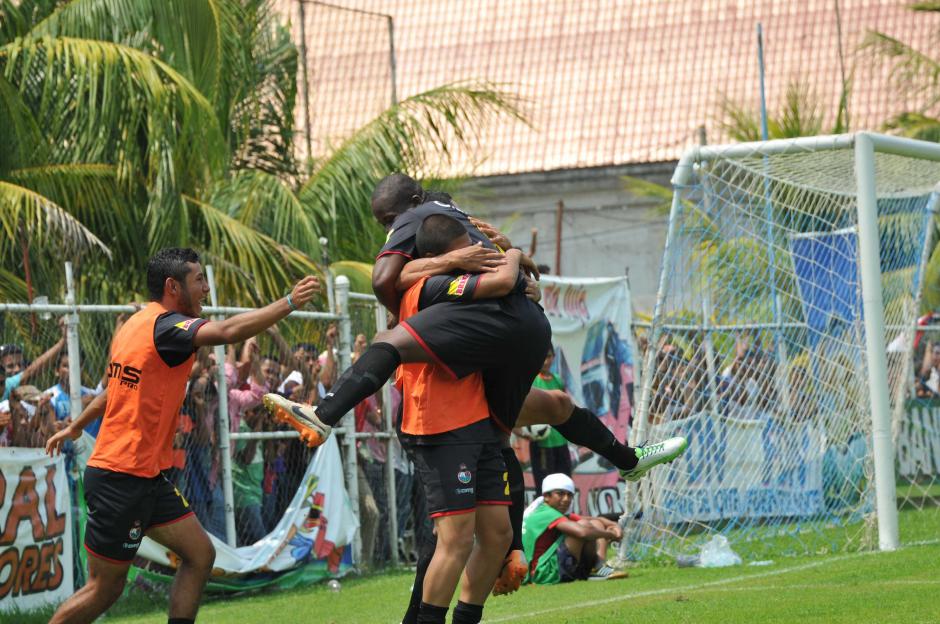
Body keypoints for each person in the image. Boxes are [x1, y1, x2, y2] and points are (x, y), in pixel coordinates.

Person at [45, 247, 320, 624]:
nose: (206, 289)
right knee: (104, 588)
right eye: (199, 280)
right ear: (173, 286)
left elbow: (115, 389)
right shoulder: (167, 326)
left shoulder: (135, 325)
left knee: (200, 555)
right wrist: (288, 302)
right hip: (121, 478)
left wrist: (76, 426)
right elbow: (226, 331)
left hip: (144, 477)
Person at [521, 473, 624, 585]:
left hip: (543, 569)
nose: (566, 499)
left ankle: (599, 567)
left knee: (595, 523)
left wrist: (611, 524)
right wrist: (610, 534)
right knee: (584, 526)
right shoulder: (546, 513)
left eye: (569, 495)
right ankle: (596, 567)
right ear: (547, 496)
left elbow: (593, 519)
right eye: (560, 494)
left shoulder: (544, 510)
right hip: (543, 574)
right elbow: (582, 532)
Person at [520, 345, 573, 493]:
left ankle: (563, 517)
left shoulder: (558, 380)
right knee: (546, 490)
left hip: (561, 442)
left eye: (549, 356)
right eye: (543, 357)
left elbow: (565, 407)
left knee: (564, 484)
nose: (546, 361)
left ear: (553, 357)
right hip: (542, 444)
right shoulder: (532, 380)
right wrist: (524, 432)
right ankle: (547, 516)